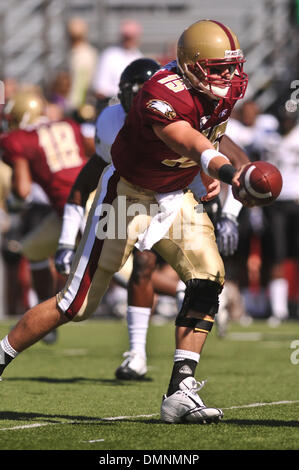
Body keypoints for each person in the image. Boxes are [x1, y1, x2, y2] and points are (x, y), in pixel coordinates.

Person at [0, 20, 252, 424]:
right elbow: (189, 140)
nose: (228, 77)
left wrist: (230, 175)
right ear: (189, 66)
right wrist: (225, 172)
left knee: (208, 277)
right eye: (217, 68)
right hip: (127, 197)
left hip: (173, 195)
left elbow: (213, 135)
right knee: (75, 304)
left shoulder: (222, 90)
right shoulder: (158, 93)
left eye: (231, 67)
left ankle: (179, 392)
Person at [55, 57, 247, 380]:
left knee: (204, 276)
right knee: (139, 267)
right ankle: (138, 353)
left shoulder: (192, 110)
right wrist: (64, 240)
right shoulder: (115, 122)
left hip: (192, 196)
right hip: (141, 197)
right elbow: (86, 180)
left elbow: (240, 166)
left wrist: (230, 215)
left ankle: (185, 366)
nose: (141, 100)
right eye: (134, 94)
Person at [0, 88, 88, 338]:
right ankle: (46, 323)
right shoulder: (68, 124)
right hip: (83, 198)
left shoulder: (17, 139)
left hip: (71, 204)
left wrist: (15, 197)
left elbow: (23, 190)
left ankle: (183, 292)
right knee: (35, 249)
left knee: (120, 267)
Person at [92, 19, 143, 107]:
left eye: (131, 36)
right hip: (110, 104)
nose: (129, 40)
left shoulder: (139, 57)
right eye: (127, 37)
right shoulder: (109, 55)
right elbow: (100, 88)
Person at [66, 17, 98, 111]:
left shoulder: (82, 55)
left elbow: (80, 85)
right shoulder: (80, 52)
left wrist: (73, 107)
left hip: (79, 106)